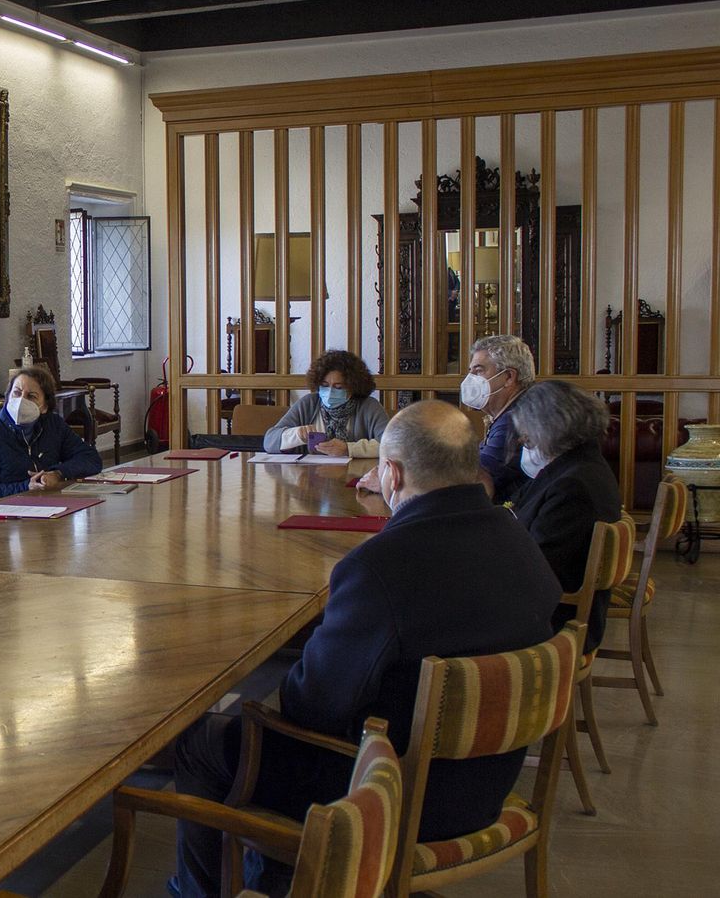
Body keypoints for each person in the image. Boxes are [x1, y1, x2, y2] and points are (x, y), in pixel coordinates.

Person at [171, 400, 559, 898]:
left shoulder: (380, 566)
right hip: (489, 782)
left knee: (202, 740)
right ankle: (276, 872)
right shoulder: (517, 538)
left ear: (391, 474)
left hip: (387, 790)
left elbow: (311, 706)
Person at [509, 381, 621, 652]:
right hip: (548, 602)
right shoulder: (576, 467)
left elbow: (539, 570)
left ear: (548, 429)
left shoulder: (573, 486)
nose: (524, 442)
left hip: (554, 620)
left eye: (527, 435)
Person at [0, 365, 102, 503]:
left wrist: (58, 473)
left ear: (45, 407)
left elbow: (91, 459)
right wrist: (25, 487)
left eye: (31, 396)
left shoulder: (53, 425)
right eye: (17, 393)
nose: (21, 400)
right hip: (8, 515)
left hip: (49, 507)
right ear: (7, 397)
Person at [262, 349, 389, 457]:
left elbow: (392, 444)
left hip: (355, 479)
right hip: (310, 479)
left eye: (338, 387)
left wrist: (349, 449)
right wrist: (296, 435)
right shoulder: (309, 404)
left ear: (353, 387)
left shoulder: (369, 406)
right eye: (324, 386)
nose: (330, 392)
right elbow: (269, 442)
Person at [464, 334, 535, 502]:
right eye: (470, 372)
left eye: (479, 371)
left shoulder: (515, 420)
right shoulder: (512, 412)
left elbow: (478, 478)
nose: (470, 380)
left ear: (509, 377)